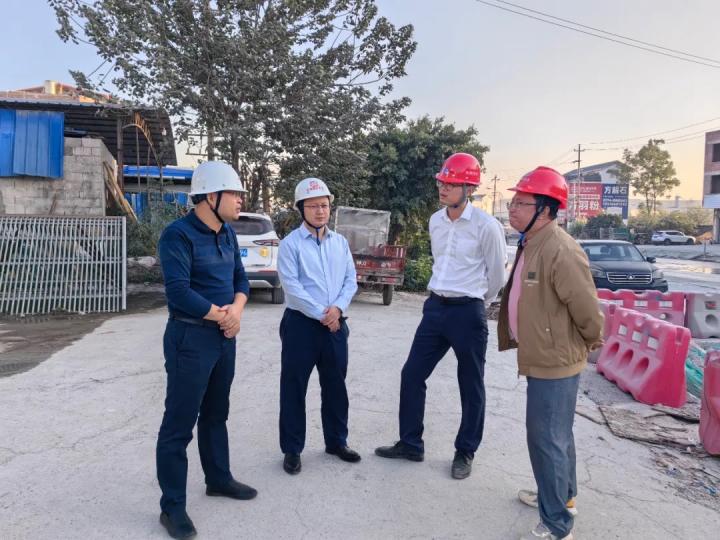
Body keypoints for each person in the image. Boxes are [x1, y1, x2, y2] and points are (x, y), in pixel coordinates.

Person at [375, 152, 507, 479]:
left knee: (470, 384)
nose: (443, 188)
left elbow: (496, 276)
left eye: (451, 183)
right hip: (435, 308)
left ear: (469, 188)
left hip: (468, 312)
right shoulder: (435, 220)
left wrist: (477, 301)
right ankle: (411, 444)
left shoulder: (487, 226)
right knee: (412, 374)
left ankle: (465, 451)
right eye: (441, 182)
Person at [498, 166, 603, 540]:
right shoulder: (532, 242)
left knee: (546, 440)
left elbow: (587, 308)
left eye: (521, 203)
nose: (512, 209)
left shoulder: (560, 248)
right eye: (512, 202)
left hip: (556, 361)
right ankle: (562, 497)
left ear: (545, 209)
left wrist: (589, 342)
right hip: (544, 354)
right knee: (558, 435)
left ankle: (557, 525)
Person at [156, 161, 257, 539]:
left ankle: (218, 479)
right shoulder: (177, 235)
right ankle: (172, 507)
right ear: (211, 196)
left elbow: (241, 280)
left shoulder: (227, 233)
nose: (240, 200)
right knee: (179, 424)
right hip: (190, 338)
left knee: (216, 413)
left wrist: (236, 312)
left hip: (223, 337)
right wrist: (222, 316)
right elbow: (179, 292)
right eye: (235, 194)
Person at [277, 177, 360, 475]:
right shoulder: (290, 245)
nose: (320, 211)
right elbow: (292, 286)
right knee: (294, 387)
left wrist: (337, 309)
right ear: (301, 209)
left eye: (324, 205)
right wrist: (323, 314)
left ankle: (337, 442)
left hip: (335, 325)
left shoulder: (340, 243)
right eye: (313, 206)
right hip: (301, 325)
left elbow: (350, 280)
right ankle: (292, 449)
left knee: (336, 386)